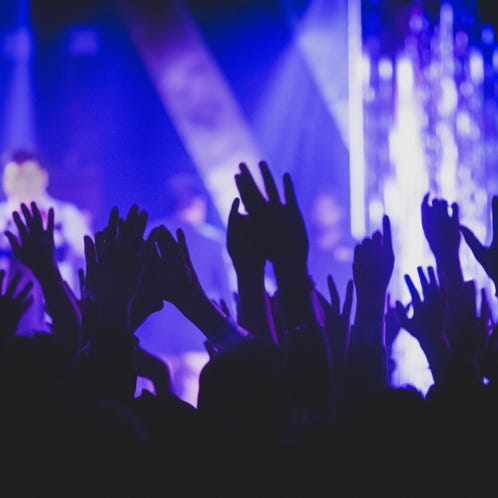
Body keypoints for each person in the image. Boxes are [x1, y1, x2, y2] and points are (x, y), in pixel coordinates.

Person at [135, 171, 236, 405]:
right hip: (198, 339)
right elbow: (227, 294)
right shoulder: (214, 241)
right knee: (192, 413)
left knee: (153, 413)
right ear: (198, 202)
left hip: (155, 341)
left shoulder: (152, 233)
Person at [0, 148, 92, 335]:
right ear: (4, 181)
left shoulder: (66, 215)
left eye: (29, 176)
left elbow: (90, 257)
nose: (23, 184)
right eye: (16, 177)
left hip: (55, 316)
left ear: (44, 177)